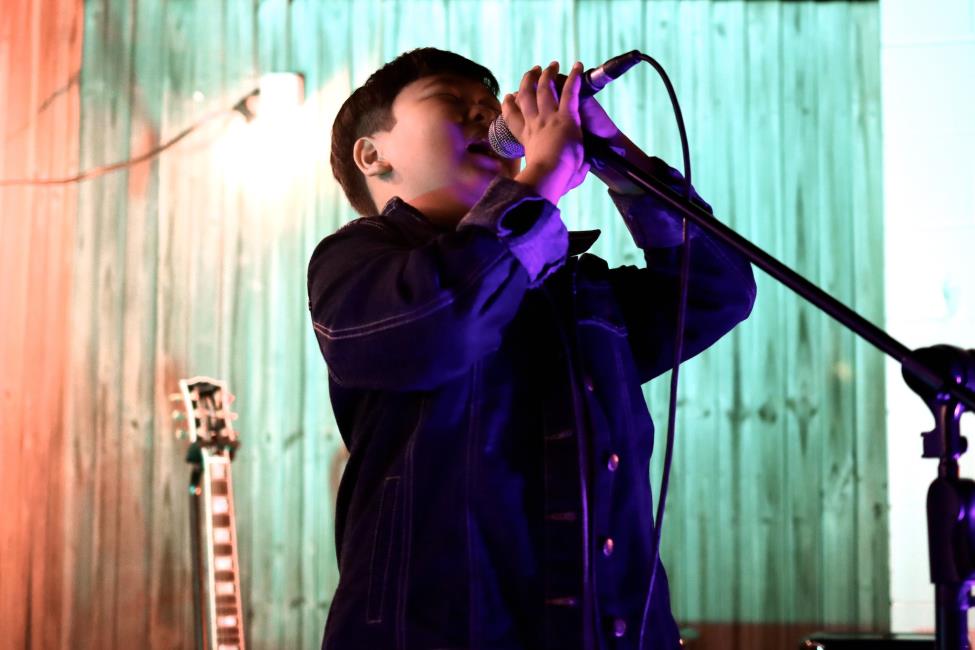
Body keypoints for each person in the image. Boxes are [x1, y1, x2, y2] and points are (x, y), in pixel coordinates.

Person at [309, 47, 755, 650]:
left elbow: (718, 291)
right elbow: (441, 322)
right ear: (373, 155)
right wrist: (541, 177)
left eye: (488, 103)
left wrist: (619, 158)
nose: (486, 114)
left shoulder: (573, 286)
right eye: (451, 101)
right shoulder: (355, 261)